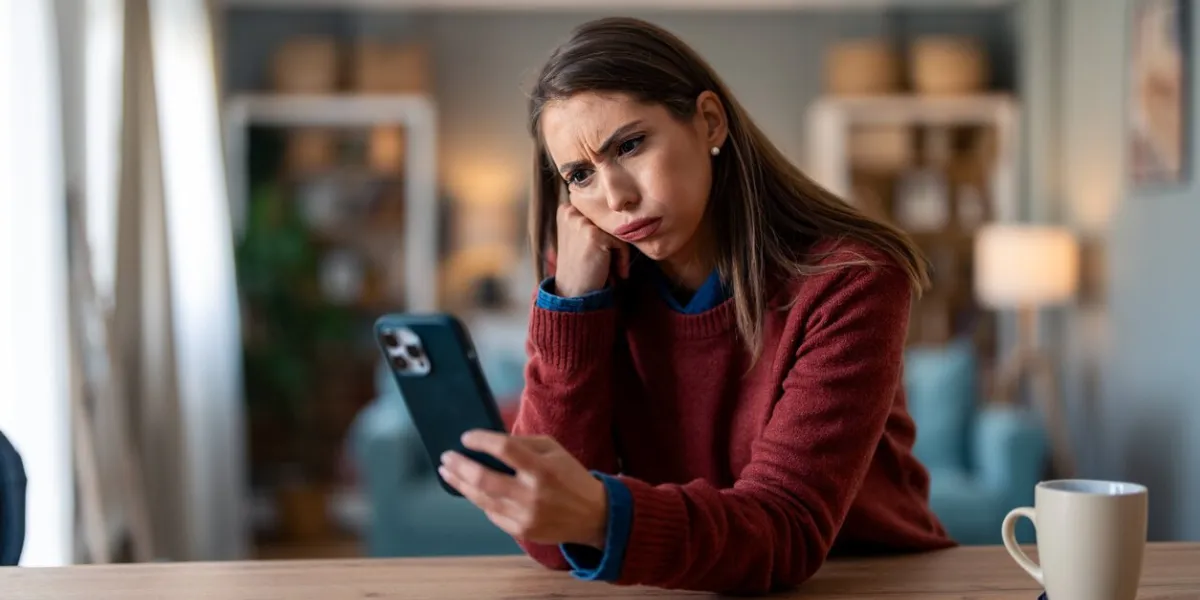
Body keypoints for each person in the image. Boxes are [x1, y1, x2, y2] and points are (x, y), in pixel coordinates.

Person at [435, 16, 956, 595]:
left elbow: (787, 527)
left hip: (863, 581)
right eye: (580, 175)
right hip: (688, 583)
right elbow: (551, 545)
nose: (615, 197)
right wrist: (573, 306)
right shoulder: (593, 277)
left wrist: (601, 516)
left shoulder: (849, 279)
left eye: (629, 145)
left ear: (709, 120)